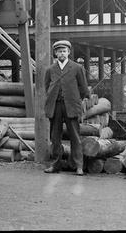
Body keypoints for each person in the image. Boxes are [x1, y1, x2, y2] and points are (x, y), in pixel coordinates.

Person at [44, 39, 89, 175]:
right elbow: (47, 87)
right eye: (59, 51)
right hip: (55, 106)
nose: (62, 53)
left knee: (75, 136)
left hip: (71, 106)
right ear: (56, 53)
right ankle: (55, 165)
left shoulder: (76, 68)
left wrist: (74, 98)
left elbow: (83, 88)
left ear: (69, 52)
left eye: (64, 51)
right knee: (55, 137)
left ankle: (78, 165)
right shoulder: (50, 69)